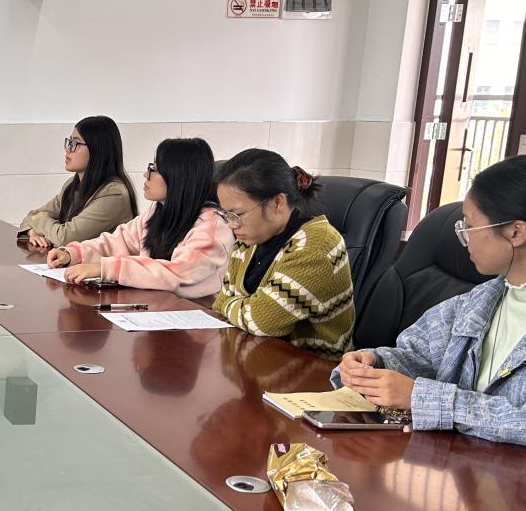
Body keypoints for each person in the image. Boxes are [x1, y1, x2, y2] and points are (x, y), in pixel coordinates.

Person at [332, 157, 526, 444]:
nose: (463, 237)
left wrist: (419, 397)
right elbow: (419, 356)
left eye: (469, 227)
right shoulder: (481, 301)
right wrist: (373, 366)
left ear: (515, 232)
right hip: (457, 469)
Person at [46, 137, 233, 298]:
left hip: (196, 322)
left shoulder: (212, 226)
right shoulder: (159, 210)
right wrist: (74, 254)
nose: (146, 174)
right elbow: (120, 240)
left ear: (177, 177)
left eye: (154, 169)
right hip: (157, 310)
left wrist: (107, 268)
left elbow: (177, 272)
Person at [212, 149, 354, 358]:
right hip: (258, 357)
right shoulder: (250, 239)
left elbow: (262, 321)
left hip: (314, 373)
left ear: (278, 202)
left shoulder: (316, 245)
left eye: (238, 214)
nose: (232, 224)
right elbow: (221, 301)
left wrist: (230, 304)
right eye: (226, 214)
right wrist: (235, 305)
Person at [19, 116, 136, 250]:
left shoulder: (114, 194)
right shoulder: (72, 185)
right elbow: (32, 215)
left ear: (97, 149)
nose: (68, 149)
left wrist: (40, 220)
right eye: (69, 142)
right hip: (75, 266)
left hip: (104, 270)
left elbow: (65, 238)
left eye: (75, 143)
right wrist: (32, 232)